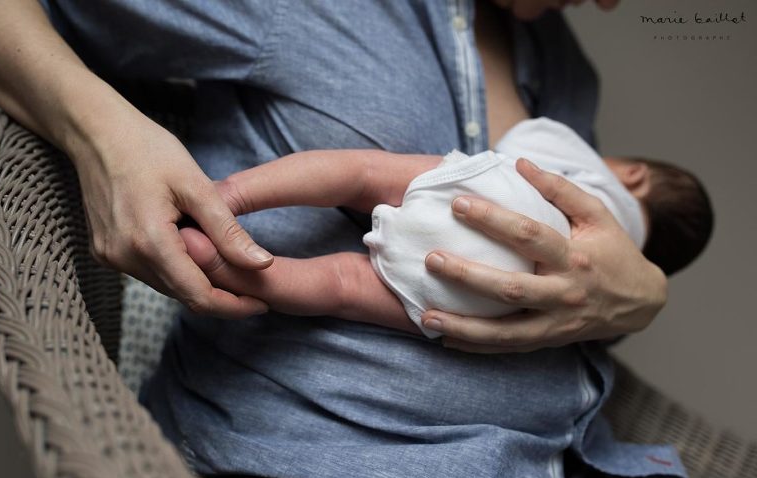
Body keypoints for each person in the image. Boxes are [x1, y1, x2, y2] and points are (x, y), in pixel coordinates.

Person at [0, 0, 683, 478]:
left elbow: (543, 276)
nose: (611, 5)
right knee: (335, 272)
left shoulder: (565, 69)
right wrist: (101, 134)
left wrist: (640, 296)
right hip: (354, 472)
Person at [179, 117, 713, 341]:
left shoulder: (595, 176)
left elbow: (529, 138)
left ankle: (225, 197)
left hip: (500, 198)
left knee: (358, 174)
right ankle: (217, 262)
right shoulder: (616, 282)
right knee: (341, 286)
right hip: (494, 299)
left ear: (634, 175)